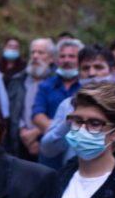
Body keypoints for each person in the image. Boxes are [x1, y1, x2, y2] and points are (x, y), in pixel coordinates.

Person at [40, 45, 115, 166]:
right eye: (85, 68)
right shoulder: (67, 105)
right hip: (74, 172)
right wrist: (68, 123)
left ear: (112, 70)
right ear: (79, 73)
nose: (91, 73)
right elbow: (48, 150)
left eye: (98, 67)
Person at [33, 38, 84, 168]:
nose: (66, 60)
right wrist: (58, 130)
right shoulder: (46, 84)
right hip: (50, 150)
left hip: (79, 147)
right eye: (62, 56)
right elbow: (37, 114)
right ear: (56, 60)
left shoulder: (87, 85)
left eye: (72, 56)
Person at [5, 37, 54, 160]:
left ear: (51, 58)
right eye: (33, 52)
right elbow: (13, 110)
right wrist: (22, 130)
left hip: (48, 141)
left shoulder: (57, 82)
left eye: (41, 53)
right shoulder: (18, 80)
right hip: (20, 141)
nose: (35, 56)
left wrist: (36, 133)